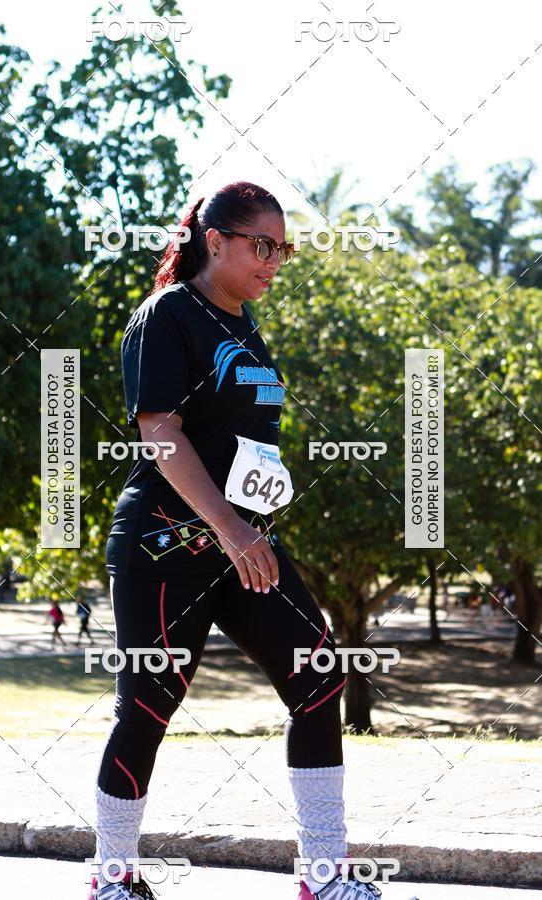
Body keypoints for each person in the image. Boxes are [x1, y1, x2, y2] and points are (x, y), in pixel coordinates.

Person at [91, 182, 382, 899]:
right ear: (214, 241)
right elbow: (159, 431)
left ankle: (324, 875)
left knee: (319, 681)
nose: (274, 259)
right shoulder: (167, 316)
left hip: (243, 544)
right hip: (166, 542)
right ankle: (112, 878)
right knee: (149, 704)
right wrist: (227, 525)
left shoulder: (246, 326)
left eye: (283, 248)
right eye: (262, 244)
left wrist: (260, 505)